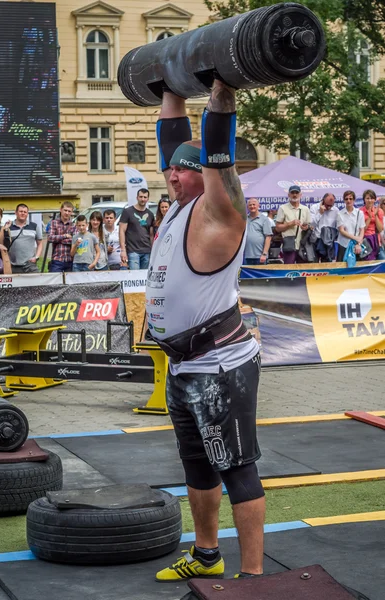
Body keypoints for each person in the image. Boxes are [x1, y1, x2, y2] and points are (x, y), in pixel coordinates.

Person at [150, 80, 263, 583]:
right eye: (170, 168)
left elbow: (217, 154)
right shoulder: (177, 205)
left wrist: (221, 87)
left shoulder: (221, 213)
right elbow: (174, 139)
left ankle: (255, 576)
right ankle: (206, 553)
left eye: (181, 169)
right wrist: (172, 86)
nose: (170, 175)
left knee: (237, 470)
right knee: (197, 466)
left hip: (220, 366)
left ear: (206, 176)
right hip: (182, 366)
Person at [119, 188, 155, 269]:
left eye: (145, 197)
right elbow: (121, 231)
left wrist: (153, 250)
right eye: (141, 197)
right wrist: (123, 250)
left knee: (145, 278)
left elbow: (151, 235)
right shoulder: (127, 211)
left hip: (147, 251)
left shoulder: (150, 214)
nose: (143, 199)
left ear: (148, 199)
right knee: (134, 277)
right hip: (133, 251)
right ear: (137, 197)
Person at [275, 185, 311, 264]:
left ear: (300, 195)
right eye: (292, 193)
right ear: (289, 195)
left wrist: (306, 227)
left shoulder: (305, 209)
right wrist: (290, 224)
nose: (294, 195)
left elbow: (309, 226)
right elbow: (277, 228)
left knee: (303, 270)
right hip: (289, 244)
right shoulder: (283, 208)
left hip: (302, 245)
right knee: (289, 269)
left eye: (296, 193)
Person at [9, 203, 43, 274]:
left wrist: (36, 257)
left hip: (30, 265)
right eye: (21, 211)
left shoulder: (34, 226)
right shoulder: (9, 227)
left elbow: (40, 243)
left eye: (25, 212)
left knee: (36, 283)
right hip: (13, 265)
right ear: (16, 212)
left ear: (27, 214)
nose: (23, 213)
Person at [336, 190, 365, 262]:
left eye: (350, 199)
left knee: (356, 267)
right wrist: (356, 238)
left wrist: (359, 243)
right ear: (344, 200)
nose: (348, 201)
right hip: (344, 244)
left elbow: (362, 229)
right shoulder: (340, 214)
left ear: (354, 200)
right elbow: (342, 230)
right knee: (341, 267)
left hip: (356, 245)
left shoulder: (359, 213)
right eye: (346, 199)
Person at [47, 201, 76, 272]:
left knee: (70, 282)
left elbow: (75, 241)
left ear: (71, 212)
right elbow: (50, 238)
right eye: (65, 210)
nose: (67, 213)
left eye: (69, 211)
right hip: (57, 259)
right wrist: (65, 236)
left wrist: (58, 239)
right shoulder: (54, 223)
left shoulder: (74, 225)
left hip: (70, 260)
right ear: (61, 210)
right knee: (54, 281)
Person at [310, 193, 339, 261]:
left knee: (327, 265)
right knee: (314, 265)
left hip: (328, 242)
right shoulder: (314, 208)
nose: (329, 207)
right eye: (327, 205)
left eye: (331, 205)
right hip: (316, 239)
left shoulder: (336, 210)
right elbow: (311, 225)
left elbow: (337, 227)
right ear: (323, 201)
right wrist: (320, 213)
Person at [244, 198, 272, 265]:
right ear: (247, 207)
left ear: (258, 206)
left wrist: (264, 254)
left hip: (260, 256)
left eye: (254, 204)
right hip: (247, 256)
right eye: (250, 205)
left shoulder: (264, 219)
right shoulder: (244, 219)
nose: (252, 206)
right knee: (247, 275)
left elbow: (268, 237)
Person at [360, 189, 384, 261]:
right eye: (367, 198)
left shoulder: (379, 211)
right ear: (364, 199)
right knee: (368, 263)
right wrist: (370, 217)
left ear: (375, 200)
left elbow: (380, 229)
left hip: (376, 241)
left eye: (372, 198)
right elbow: (362, 230)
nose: (370, 200)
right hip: (365, 241)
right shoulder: (360, 211)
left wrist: (375, 215)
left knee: (382, 260)